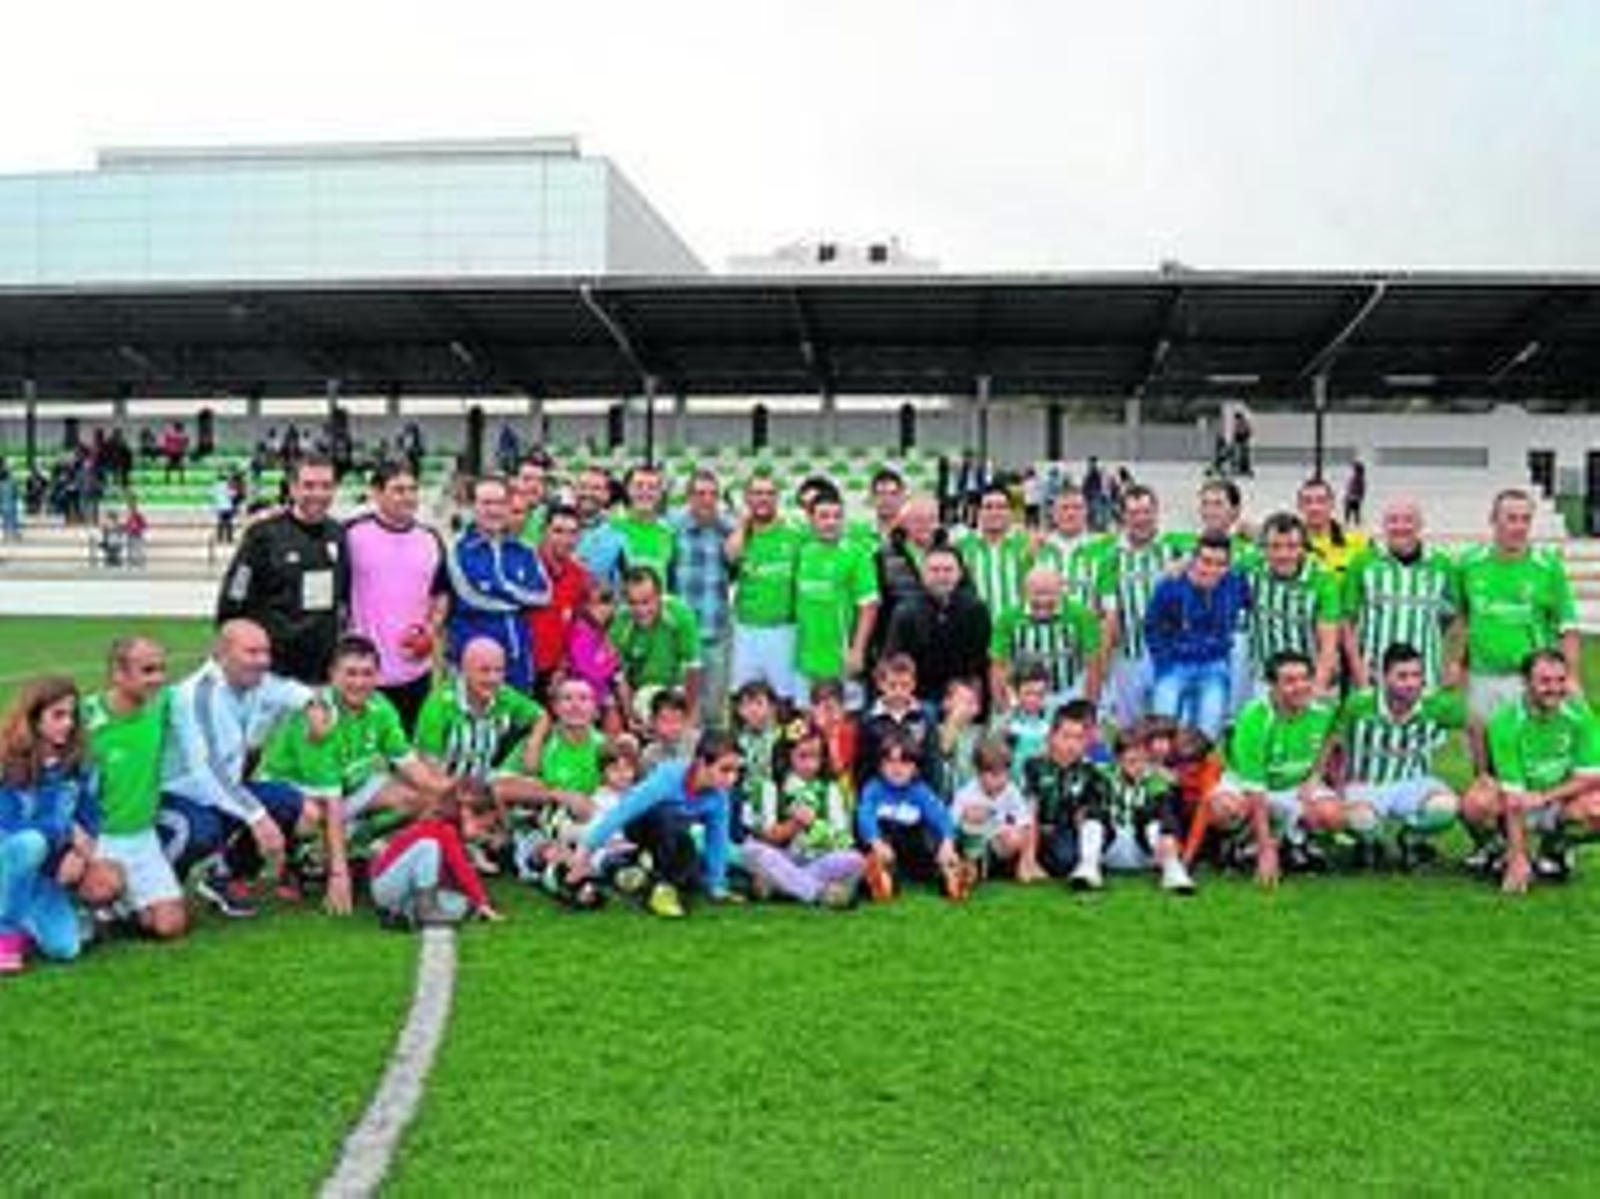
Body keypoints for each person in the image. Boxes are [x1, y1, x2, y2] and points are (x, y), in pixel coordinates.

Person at [256, 635, 455, 915]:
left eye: (367, 674)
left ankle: (351, 850)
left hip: (343, 790)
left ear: (378, 676)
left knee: (420, 798)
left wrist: (456, 795)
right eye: (350, 673)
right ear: (332, 675)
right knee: (313, 816)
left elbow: (413, 767)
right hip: (294, 797)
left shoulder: (380, 706)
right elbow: (331, 800)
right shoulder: (319, 716)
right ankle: (298, 861)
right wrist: (340, 876)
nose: (359, 683)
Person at [159, 620, 331, 918]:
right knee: (202, 831)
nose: (262, 660)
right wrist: (258, 817)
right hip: (175, 798)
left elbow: (291, 690)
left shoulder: (255, 681)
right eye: (251, 652)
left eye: (265, 652)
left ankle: (225, 876)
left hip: (220, 794)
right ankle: (157, 888)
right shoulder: (197, 695)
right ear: (221, 653)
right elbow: (208, 772)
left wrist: (314, 705)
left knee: (299, 808)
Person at [0, 678, 124, 974]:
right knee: (31, 843)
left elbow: (91, 819)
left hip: (42, 873)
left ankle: (25, 914)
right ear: (33, 717)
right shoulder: (6, 760)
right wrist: (64, 834)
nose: (68, 723)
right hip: (9, 855)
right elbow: (9, 825)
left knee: (66, 948)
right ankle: (5, 935)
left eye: (72, 715)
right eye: (58, 715)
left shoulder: (80, 764)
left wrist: (80, 855)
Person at [1455, 488, 1579, 773]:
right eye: (1511, 518)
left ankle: (1531, 811)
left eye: (1525, 519)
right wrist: (1455, 662)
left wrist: (1571, 678)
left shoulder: (1547, 566)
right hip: (1481, 675)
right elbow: (1463, 618)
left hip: (1526, 679)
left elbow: (1568, 628)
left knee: (1523, 754)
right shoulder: (1469, 563)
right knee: (1482, 758)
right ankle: (1487, 811)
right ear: (1493, 520)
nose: (1519, 526)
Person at [1461, 649, 1600, 895]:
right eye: (1545, 681)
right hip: (1516, 802)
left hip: (1558, 800)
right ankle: (1500, 850)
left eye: (1560, 680)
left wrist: (1546, 796)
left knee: (1597, 809)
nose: (1554, 688)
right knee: (1475, 803)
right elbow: (1513, 796)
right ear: (1525, 682)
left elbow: (1591, 777)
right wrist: (1517, 857)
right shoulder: (1505, 722)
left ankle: (1555, 849)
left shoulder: (1580, 714)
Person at [566, 729, 743, 918]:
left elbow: (717, 838)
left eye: (737, 771)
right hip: (640, 825)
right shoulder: (668, 777)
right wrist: (584, 854)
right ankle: (661, 888)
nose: (732, 778)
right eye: (725, 770)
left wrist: (717, 884)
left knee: (689, 865)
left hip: (675, 834)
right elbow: (623, 812)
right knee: (668, 815)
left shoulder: (720, 795)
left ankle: (645, 869)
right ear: (701, 763)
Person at [81, 638, 187, 940]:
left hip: (143, 837)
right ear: (118, 673)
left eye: (162, 669)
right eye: (148, 670)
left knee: (170, 926)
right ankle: (75, 902)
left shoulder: (162, 703)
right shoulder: (85, 717)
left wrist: (313, 702)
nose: (159, 678)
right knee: (103, 887)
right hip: (97, 837)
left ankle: (122, 906)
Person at [1205, 650, 1339, 887]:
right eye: (1289, 681)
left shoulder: (1324, 710)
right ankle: (1242, 844)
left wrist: (1316, 776)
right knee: (1223, 809)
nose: (1300, 686)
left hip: (1295, 784)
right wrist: (1266, 849)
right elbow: (1255, 789)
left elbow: (1332, 737)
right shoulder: (1253, 718)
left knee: (1333, 815)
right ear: (1271, 686)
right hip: (1249, 786)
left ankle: (1297, 844)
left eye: (1304, 678)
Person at [216, 454, 350, 685]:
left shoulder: (338, 534)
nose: (318, 494)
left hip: (322, 674)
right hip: (271, 674)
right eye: (309, 486)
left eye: (326, 486)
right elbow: (234, 595)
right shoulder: (263, 535)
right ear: (293, 488)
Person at [1332, 643, 1464, 871]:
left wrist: (1482, 773)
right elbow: (1334, 744)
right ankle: (1371, 843)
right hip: (1365, 785)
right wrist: (1337, 786)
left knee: (1447, 807)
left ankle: (1410, 840)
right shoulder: (1358, 703)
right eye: (1402, 676)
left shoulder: (1435, 704)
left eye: (1417, 675)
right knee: (1360, 820)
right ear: (1383, 677)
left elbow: (1476, 725)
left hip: (1414, 785)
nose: (1411, 683)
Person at [346, 461, 449, 733]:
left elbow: (441, 595)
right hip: (364, 674)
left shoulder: (431, 539)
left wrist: (430, 629)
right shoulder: (352, 535)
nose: (408, 497)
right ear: (377, 494)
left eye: (413, 489)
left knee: (409, 755)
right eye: (398, 490)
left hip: (416, 671)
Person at [740, 718, 864, 908]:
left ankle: (781, 887)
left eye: (816, 757)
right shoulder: (771, 787)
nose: (811, 764)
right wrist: (794, 825)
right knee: (752, 851)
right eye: (803, 756)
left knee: (854, 860)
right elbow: (767, 836)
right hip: (782, 855)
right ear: (786, 756)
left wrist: (814, 824)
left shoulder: (830, 788)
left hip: (818, 857)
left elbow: (842, 837)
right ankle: (818, 893)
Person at [1096, 485, 1191, 731]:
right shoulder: (1111, 558)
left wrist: (1188, 561)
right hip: (1130, 657)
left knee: (1172, 726)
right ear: (1123, 517)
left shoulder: (1177, 546)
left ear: (1156, 512)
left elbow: (1221, 547)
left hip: (1172, 657)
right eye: (1133, 513)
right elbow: (1110, 616)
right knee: (1132, 730)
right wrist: (1103, 667)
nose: (1141, 519)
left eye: (1146, 511)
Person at [445, 475, 551, 693]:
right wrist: (519, 597)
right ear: (472, 506)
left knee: (519, 722)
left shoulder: (524, 549)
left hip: (518, 659)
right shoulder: (457, 548)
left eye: (500, 503)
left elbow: (544, 595)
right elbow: (472, 596)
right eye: (486, 503)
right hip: (474, 659)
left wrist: (500, 587)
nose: (494, 510)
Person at [1341, 498, 1459, 693]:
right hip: (1372, 677)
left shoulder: (1442, 565)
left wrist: (1450, 662)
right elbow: (1347, 621)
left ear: (1420, 524)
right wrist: (1357, 669)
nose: (1400, 526)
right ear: (1384, 525)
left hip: (1426, 678)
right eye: (1393, 520)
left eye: (1408, 520)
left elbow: (1455, 620)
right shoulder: (1363, 563)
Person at [1144, 534, 1250, 741]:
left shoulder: (1235, 583)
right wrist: (1163, 662)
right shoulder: (1171, 585)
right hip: (1175, 666)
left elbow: (1261, 561)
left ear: (1229, 565)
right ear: (1193, 559)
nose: (1211, 569)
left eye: (1220, 564)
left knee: (1207, 734)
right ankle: (1164, 772)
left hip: (1214, 666)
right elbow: (1151, 626)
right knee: (1164, 733)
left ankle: (1202, 773)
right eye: (1206, 561)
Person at [793, 481, 879, 705]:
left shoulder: (856, 553)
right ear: (811, 519)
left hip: (841, 659)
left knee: (843, 725)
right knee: (806, 723)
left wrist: (858, 650)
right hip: (803, 658)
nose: (831, 522)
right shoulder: (802, 550)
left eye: (836, 516)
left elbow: (869, 605)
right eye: (824, 516)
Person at [855, 732, 967, 902]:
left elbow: (941, 815)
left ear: (914, 768)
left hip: (915, 850)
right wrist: (876, 842)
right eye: (890, 762)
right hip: (887, 849)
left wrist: (948, 841)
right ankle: (882, 879)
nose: (897, 768)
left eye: (905, 762)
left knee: (933, 836)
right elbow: (865, 815)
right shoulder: (873, 788)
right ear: (880, 766)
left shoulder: (919, 791)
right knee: (866, 833)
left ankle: (949, 874)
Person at [1083, 725, 1196, 894]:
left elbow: (1168, 815)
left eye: (1144, 760)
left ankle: (1172, 870)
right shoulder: (1102, 776)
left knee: (1155, 812)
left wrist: (1169, 838)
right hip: (1109, 849)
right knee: (1095, 811)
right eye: (1131, 761)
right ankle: (1088, 867)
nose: (1139, 767)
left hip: (1146, 851)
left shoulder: (1156, 781)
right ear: (1118, 759)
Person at [883, 543, 991, 710]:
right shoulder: (906, 611)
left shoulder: (975, 609)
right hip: (918, 695)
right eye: (935, 570)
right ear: (923, 574)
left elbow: (979, 663)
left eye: (948, 570)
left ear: (960, 573)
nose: (942, 576)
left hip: (960, 694)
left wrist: (967, 696)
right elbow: (896, 662)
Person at [726, 470, 803, 701]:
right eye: (757, 493)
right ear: (747, 498)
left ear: (777, 498)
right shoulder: (741, 534)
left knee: (784, 698)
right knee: (742, 696)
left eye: (769, 493)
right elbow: (731, 556)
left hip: (784, 629)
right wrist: (744, 525)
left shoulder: (793, 534)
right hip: (746, 629)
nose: (763, 498)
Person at [1244, 513, 1340, 697]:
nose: (1283, 554)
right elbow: (1211, 554)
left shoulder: (1323, 580)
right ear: (1263, 548)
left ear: (1304, 547)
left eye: (1292, 546)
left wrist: (1316, 689)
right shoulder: (1252, 566)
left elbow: (1328, 645)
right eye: (1275, 546)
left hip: (1307, 680)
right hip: (1265, 679)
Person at [1021, 703, 1114, 884]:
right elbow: (1030, 810)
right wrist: (1028, 858)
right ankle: (1030, 861)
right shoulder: (1034, 765)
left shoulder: (1090, 772)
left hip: (1067, 832)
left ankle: (1087, 865)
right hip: (1037, 830)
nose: (1072, 744)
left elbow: (1084, 816)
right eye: (1066, 736)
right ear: (1051, 737)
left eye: (1078, 738)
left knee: (1065, 857)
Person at [989, 565, 1103, 712]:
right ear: (1024, 592)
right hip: (1025, 694)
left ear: (1061, 590)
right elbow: (998, 665)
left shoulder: (1081, 614)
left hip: (1069, 690)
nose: (1043, 600)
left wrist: (1090, 705)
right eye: (1037, 594)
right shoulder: (1008, 617)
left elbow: (1093, 663)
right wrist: (1002, 704)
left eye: (1049, 593)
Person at [669, 469, 734, 722]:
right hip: (680, 636)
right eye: (699, 493)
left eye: (712, 494)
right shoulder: (674, 528)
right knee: (676, 708)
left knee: (712, 710)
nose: (706, 499)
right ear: (688, 497)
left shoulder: (727, 529)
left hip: (714, 633)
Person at [613, 567, 703, 728]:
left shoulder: (680, 615)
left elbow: (693, 669)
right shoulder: (621, 622)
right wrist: (630, 716)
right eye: (633, 603)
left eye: (646, 601)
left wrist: (688, 716)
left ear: (660, 596)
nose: (641, 610)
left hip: (675, 688)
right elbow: (620, 677)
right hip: (640, 692)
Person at [949, 736, 1045, 882]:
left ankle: (1017, 866)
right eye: (994, 775)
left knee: (1015, 836)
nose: (1001, 780)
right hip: (973, 845)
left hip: (998, 844)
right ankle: (971, 867)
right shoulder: (967, 793)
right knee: (971, 834)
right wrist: (965, 815)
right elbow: (951, 821)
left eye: (1005, 774)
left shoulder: (1011, 790)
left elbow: (1025, 820)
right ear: (979, 773)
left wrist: (1011, 830)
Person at [529, 504, 593, 700]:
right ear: (543, 532)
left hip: (554, 674)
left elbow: (575, 628)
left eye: (572, 533)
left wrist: (563, 669)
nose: (566, 539)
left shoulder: (580, 576)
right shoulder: (524, 566)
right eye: (558, 531)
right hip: (519, 670)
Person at [958, 484, 1032, 617]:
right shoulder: (961, 547)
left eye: (1001, 507)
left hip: (1016, 630)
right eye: (988, 507)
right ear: (978, 512)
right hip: (976, 629)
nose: (995, 512)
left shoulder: (1028, 545)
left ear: (1010, 512)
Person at [612, 463, 675, 583]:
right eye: (638, 486)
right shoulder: (612, 528)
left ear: (660, 493)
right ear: (627, 489)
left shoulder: (669, 532)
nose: (645, 492)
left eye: (652, 487)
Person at [1297, 477, 1369, 582]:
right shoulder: (1288, 546)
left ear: (1332, 504)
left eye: (1321, 501)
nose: (1314, 508)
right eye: (1307, 501)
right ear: (1299, 506)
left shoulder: (1359, 543)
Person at [573, 466, 627, 592]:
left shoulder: (618, 536)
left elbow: (624, 584)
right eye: (583, 487)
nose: (588, 493)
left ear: (607, 495)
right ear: (574, 491)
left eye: (596, 488)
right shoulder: (553, 527)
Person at [1344, 459, 1368, 527]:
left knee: (1350, 514)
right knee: (1355, 515)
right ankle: (1355, 526)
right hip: (1353, 498)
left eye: (1354, 468)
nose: (1353, 469)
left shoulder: (1358, 479)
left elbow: (1359, 490)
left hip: (1353, 498)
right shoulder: (1359, 478)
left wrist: (1349, 496)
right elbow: (1361, 491)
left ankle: (1351, 526)